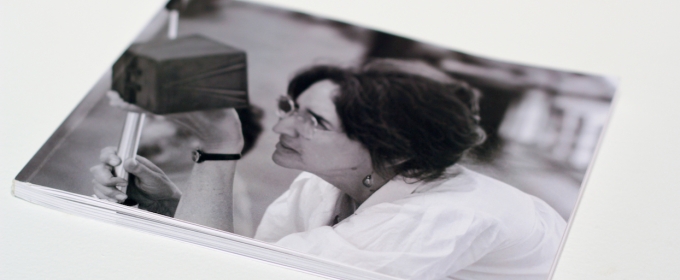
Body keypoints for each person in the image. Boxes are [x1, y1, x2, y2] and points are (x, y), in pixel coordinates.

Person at [91, 59, 566, 280]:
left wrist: (219, 144)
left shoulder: (433, 219)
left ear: (395, 150)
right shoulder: (321, 185)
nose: (281, 125)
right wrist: (171, 206)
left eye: (314, 120)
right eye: (290, 107)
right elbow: (258, 264)